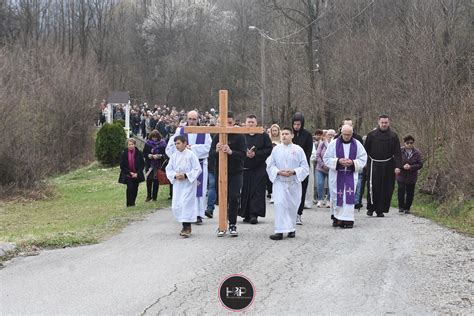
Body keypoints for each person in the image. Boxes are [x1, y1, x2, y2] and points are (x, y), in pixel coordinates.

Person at [166, 110, 212, 225]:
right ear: (187, 119)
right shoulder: (180, 130)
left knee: (199, 191)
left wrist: (193, 149)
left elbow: (208, 148)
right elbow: (171, 146)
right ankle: (184, 215)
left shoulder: (204, 131)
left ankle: (198, 214)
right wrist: (179, 157)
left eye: (194, 119)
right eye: (190, 119)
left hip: (199, 165)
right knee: (185, 192)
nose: (191, 121)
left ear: (198, 120)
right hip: (183, 167)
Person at [266, 127, 309, 240]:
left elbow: (305, 167)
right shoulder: (276, 150)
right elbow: (270, 165)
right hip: (280, 182)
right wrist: (278, 172)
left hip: (293, 182)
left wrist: (294, 171)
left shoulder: (298, 149)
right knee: (280, 204)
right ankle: (279, 231)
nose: (284, 136)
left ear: (292, 136)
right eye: (282, 134)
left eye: (286, 134)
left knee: (291, 206)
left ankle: (291, 229)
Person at [210, 112, 247, 237]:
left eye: (230, 123)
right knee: (221, 198)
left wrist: (231, 152)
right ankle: (222, 224)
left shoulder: (240, 137)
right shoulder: (217, 136)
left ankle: (232, 224)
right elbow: (210, 155)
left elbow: (243, 155)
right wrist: (216, 150)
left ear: (234, 122)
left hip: (236, 172)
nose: (228, 125)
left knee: (233, 197)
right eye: (226, 123)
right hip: (220, 171)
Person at [324, 125, 367, 228]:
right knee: (336, 195)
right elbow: (326, 158)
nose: (347, 136)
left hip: (350, 175)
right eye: (345, 134)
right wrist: (338, 161)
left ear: (352, 134)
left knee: (348, 196)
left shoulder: (357, 144)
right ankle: (337, 218)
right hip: (336, 174)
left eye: (349, 134)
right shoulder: (333, 144)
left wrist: (352, 162)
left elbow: (363, 159)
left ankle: (348, 220)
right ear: (341, 133)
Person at [364, 115, 402, 217]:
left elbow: (397, 152)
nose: (384, 124)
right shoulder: (371, 135)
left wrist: (398, 166)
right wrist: (365, 163)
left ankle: (380, 210)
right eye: (382, 122)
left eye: (386, 122)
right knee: (373, 186)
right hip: (374, 164)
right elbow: (365, 150)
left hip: (388, 165)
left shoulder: (393, 136)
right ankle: (371, 208)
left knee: (386, 187)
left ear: (389, 123)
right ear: (378, 122)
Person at [238, 115, 273, 224]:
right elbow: (237, 148)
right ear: (245, 123)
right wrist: (245, 153)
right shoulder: (241, 135)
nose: (251, 124)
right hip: (245, 167)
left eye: (252, 122)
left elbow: (269, 149)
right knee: (245, 191)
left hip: (259, 167)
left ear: (256, 123)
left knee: (257, 191)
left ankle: (254, 214)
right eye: (249, 122)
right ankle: (246, 214)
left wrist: (256, 153)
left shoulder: (263, 135)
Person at [166, 136, 202, 238]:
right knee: (178, 204)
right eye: (175, 144)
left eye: (178, 143)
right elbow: (169, 168)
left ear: (185, 143)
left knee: (186, 203)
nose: (177, 146)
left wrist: (186, 175)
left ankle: (186, 227)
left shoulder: (191, 155)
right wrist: (174, 175)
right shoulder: (174, 156)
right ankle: (183, 224)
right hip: (178, 184)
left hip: (188, 184)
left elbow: (197, 169)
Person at [291, 112, 314, 225]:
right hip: (289, 168)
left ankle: (298, 214)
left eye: (298, 124)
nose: (296, 126)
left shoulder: (307, 135)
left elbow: (308, 152)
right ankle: (290, 213)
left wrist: (300, 163)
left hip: (302, 168)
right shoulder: (289, 134)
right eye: (294, 124)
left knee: (301, 191)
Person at [397, 135, 423, 214]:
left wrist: (411, 167)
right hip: (401, 174)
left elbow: (420, 164)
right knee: (401, 190)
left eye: (411, 143)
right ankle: (401, 206)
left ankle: (407, 207)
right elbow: (395, 161)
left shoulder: (417, 152)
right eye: (407, 143)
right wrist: (402, 166)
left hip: (412, 175)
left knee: (410, 192)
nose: (409, 144)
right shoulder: (399, 151)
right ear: (404, 143)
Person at [118, 138, 145, 207]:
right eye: (129, 144)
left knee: (135, 188)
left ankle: (133, 203)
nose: (130, 146)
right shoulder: (124, 153)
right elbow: (122, 165)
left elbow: (142, 164)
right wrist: (130, 173)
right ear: (127, 145)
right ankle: (129, 204)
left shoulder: (139, 153)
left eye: (132, 144)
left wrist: (137, 173)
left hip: (137, 174)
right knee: (130, 188)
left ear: (135, 145)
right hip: (128, 174)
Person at [143, 130, 167, 202]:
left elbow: (165, 154)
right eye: (153, 137)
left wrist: (159, 156)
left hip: (159, 165)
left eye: (156, 137)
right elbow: (144, 153)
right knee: (149, 180)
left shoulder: (163, 144)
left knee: (156, 180)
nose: (154, 139)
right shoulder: (147, 144)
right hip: (150, 164)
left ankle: (154, 197)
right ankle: (148, 196)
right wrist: (150, 156)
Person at [315, 129, 336, 208]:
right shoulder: (322, 144)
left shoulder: (335, 145)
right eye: (329, 134)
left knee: (331, 185)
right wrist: (323, 164)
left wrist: (330, 165)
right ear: (326, 135)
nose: (330, 136)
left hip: (331, 168)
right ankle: (320, 199)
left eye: (332, 135)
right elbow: (317, 155)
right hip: (321, 168)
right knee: (320, 183)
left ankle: (329, 200)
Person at [267, 124, 281, 202]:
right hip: (269, 159)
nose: (274, 132)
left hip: (278, 160)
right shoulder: (268, 139)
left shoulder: (281, 140)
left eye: (276, 130)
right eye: (273, 130)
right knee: (269, 177)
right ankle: (271, 193)